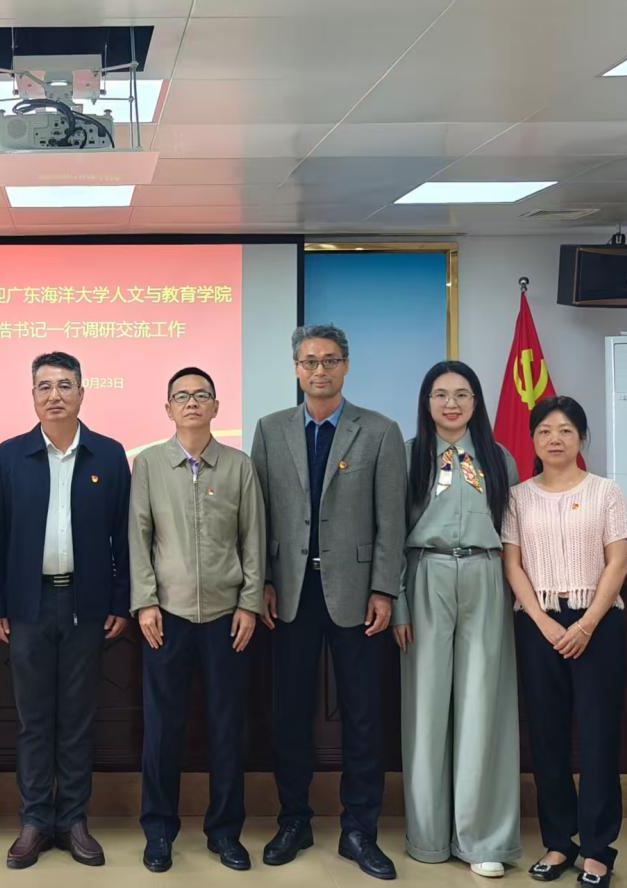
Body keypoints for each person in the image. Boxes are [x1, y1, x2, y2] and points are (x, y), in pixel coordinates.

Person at [250, 324, 406, 880]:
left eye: (331, 360)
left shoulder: (380, 431)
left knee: (364, 716)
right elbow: (258, 516)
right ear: (296, 368)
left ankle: (359, 829)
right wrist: (262, 581)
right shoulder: (270, 430)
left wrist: (384, 588)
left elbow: (392, 520)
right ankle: (294, 819)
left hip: (358, 595)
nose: (320, 370)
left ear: (346, 366)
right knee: (289, 713)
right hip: (289, 593)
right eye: (310, 361)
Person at [0, 352, 130, 869]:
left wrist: (121, 600)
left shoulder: (108, 455)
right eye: (44, 386)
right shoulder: (11, 455)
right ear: (32, 396)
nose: (55, 395)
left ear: (82, 393)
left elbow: (125, 535)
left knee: (78, 719)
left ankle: (73, 820)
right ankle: (34, 821)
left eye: (65, 385)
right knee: (33, 721)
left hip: (87, 606)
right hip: (28, 605)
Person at [130, 367, 264, 874]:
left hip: (228, 618)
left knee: (227, 728)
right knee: (162, 728)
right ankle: (159, 830)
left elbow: (253, 538)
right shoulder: (149, 464)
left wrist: (249, 603)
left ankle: (224, 832)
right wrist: (145, 601)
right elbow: (139, 536)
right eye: (181, 396)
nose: (192, 402)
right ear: (167, 408)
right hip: (166, 616)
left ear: (216, 406)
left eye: (201, 395)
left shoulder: (238, 466)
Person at [391, 361, 520, 877]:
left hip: (486, 575)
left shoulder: (498, 458)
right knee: (425, 709)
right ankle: (427, 837)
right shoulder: (407, 456)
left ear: (476, 402)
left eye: (462, 394)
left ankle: (482, 837)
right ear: (426, 402)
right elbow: (390, 535)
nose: (451, 404)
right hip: (426, 573)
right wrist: (398, 603)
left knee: (483, 705)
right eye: (440, 394)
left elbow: (514, 533)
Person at [502, 396, 627, 888]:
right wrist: (543, 620)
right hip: (539, 624)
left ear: (581, 438)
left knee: (598, 737)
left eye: (565, 431)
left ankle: (597, 850)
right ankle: (559, 842)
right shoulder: (517, 497)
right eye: (545, 431)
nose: (554, 439)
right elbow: (512, 564)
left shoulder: (606, 492)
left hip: (597, 624)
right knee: (547, 736)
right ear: (533, 440)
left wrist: (586, 624)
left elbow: (618, 562)